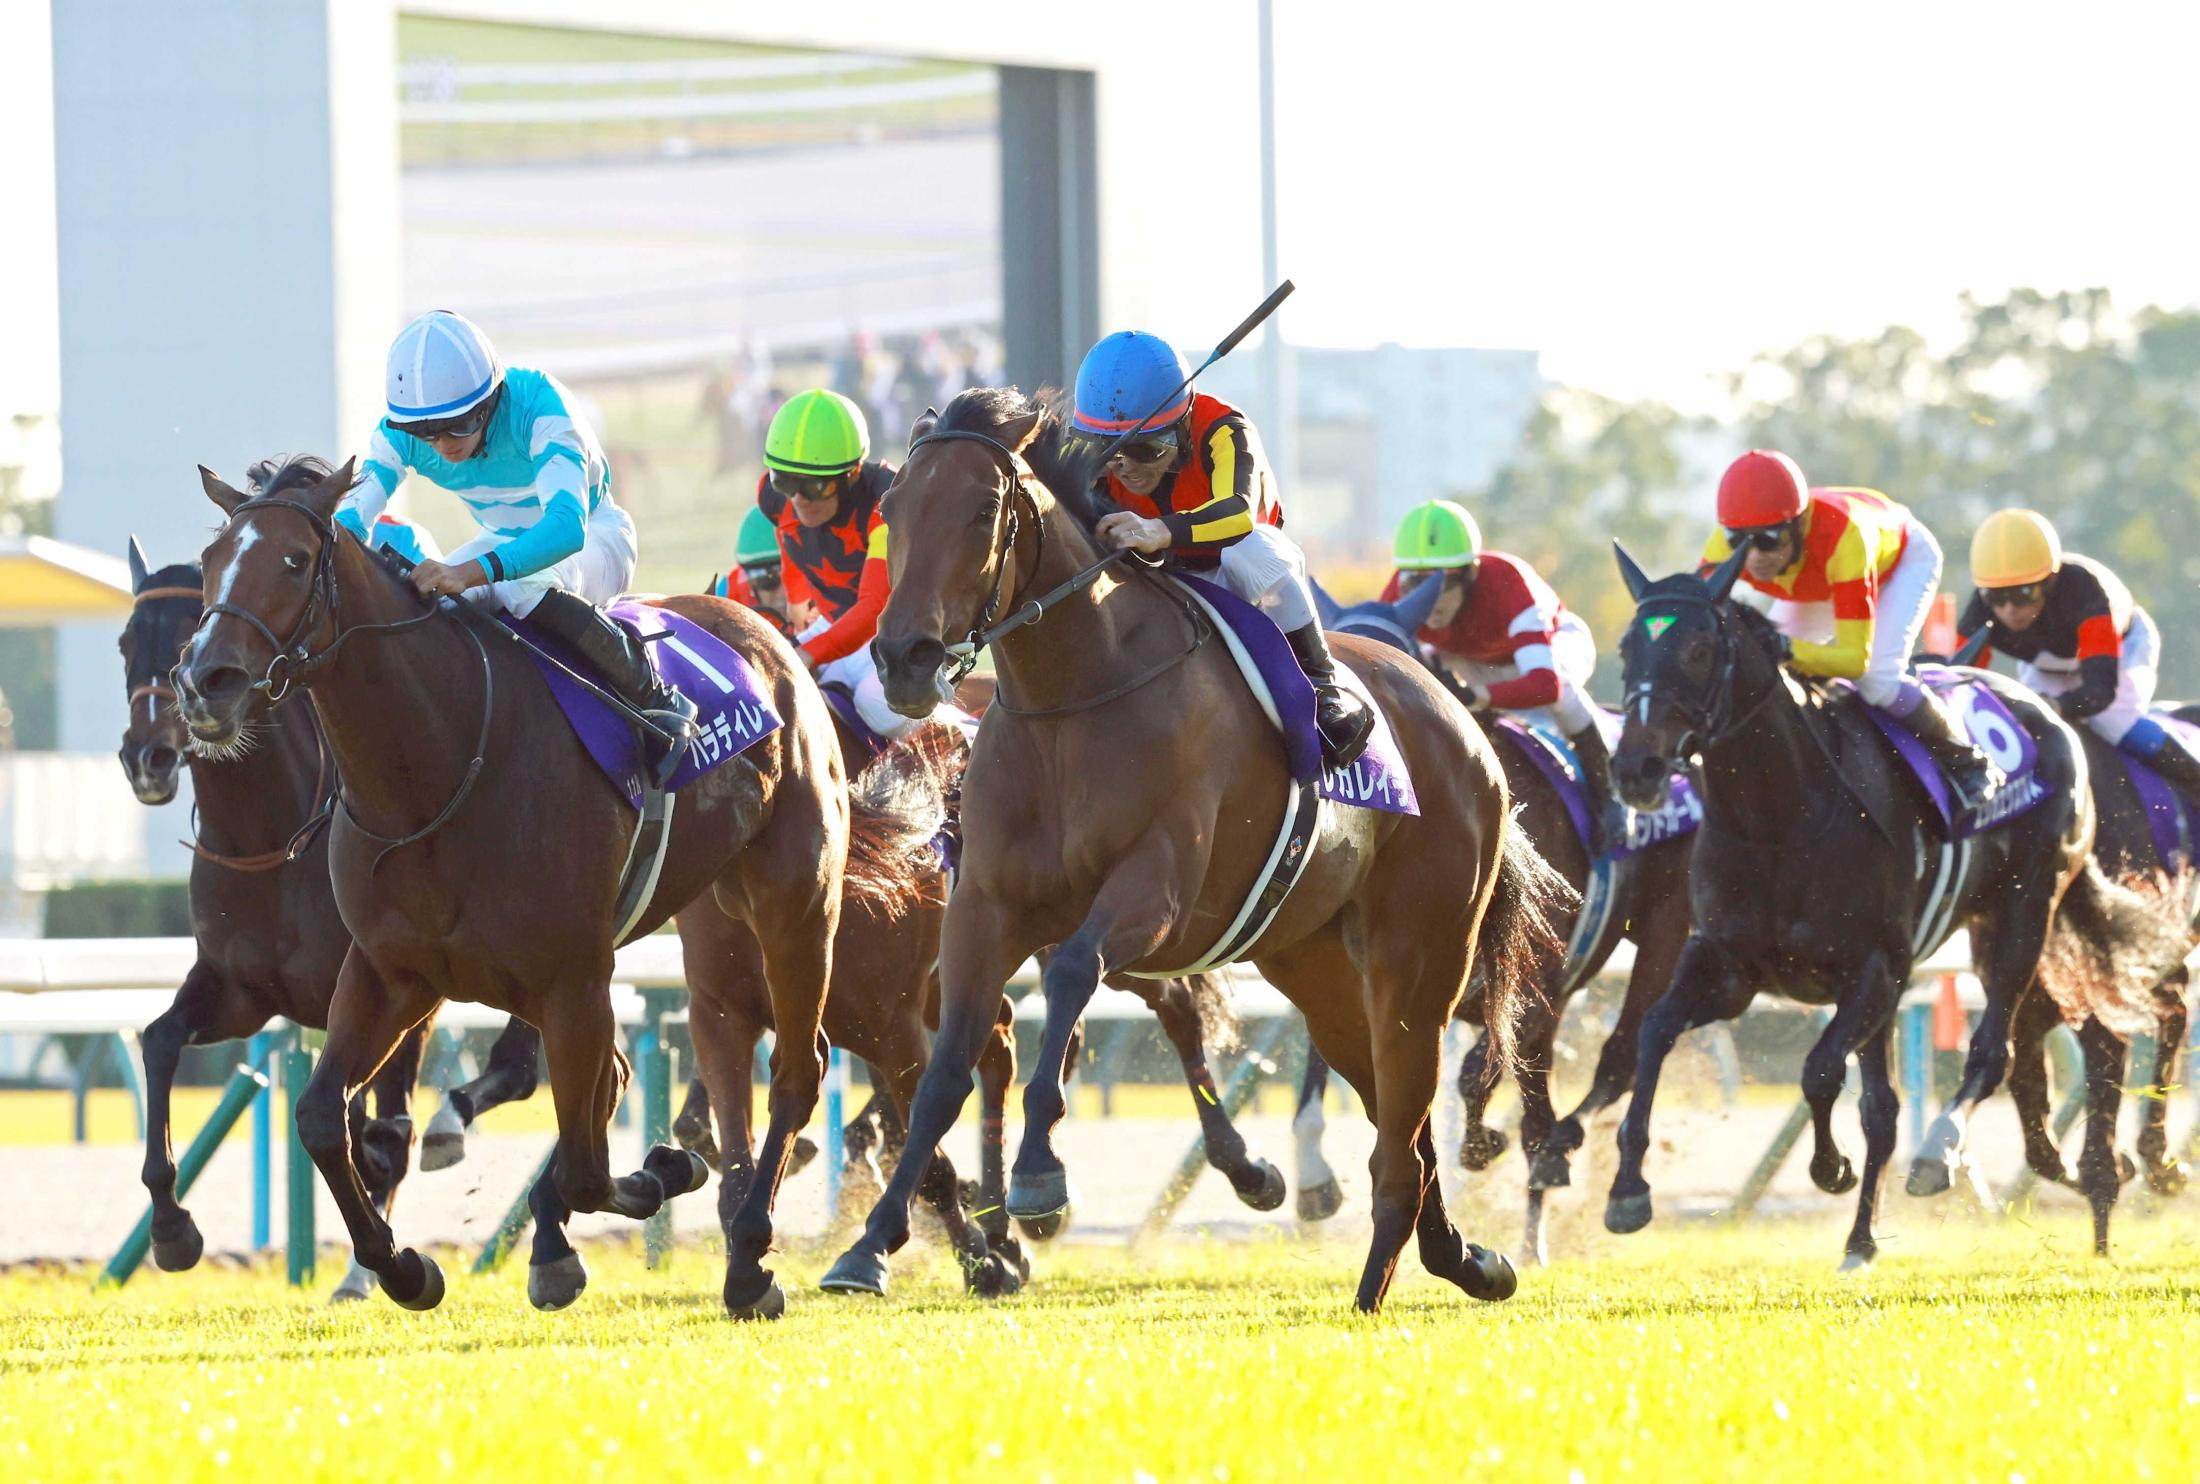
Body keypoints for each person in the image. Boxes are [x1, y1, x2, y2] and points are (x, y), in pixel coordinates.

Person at [337, 310, 696, 785]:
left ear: (490, 401)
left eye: (458, 425)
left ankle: (658, 702)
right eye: (426, 433)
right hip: (501, 543)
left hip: (595, 538)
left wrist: (468, 572)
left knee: (520, 586)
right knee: (428, 604)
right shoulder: (399, 433)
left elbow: (567, 527)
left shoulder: (539, 404)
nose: (441, 444)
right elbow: (347, 522)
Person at [1073, 330, 1371, 766]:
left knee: (1251, 551)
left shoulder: (1225, 429)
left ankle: (1322, 688)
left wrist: (1160, 530)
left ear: (1183, 425)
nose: (1126, 467)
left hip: (1244, 576)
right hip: (1161, 577)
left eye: (1144, 447)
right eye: (1109, 450)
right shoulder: (1093, 457)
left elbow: (1238, 514)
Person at [1701, 449, 1994, 812]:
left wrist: (1786, 647)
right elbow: (1689, 614)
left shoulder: (1846, 540)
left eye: (1768, 539)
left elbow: (1856, 660)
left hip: (1896, 565)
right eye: (1738, 541)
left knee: (1878, 679)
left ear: (1798, 525)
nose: (1754, 556)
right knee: (1768, 672)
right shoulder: (1723, 547)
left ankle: (1964, 757)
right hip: (1817, 580)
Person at [1383, 499, 1626, 852]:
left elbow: (1545, 685)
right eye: (1413, 582)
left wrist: (1479, 695)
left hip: (1551, 645)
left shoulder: (1509, 585)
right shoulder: (1396, 595)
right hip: (1470, 657)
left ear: (1471, 572)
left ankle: (1610, 801)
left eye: (1440, 583)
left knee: (1564, 695)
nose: (1425, 598)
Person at [1961, 508, 2200, 796]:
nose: (2009, 609)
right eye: (1996, 596)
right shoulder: (1980, 608)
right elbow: (1959, 681)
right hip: (2048, 665)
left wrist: (2059, 706)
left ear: (2049, 583)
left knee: (2114, 723)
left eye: (2024, 594)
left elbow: (2099, 692)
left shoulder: (2084, 590)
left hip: (2123, 648)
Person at [753, 388, 921, 741]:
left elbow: (874, 608)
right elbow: (790, 538)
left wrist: (810, 653)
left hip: (896, 635)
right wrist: (797, 597)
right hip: (834, 624)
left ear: (853, 473)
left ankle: (962, 735)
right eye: (785, 480)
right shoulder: (773, 496)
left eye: (815, 487)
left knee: (877, 704)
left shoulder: (886, 506)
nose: (798, 499)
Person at [712, 506, 795, 633]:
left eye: (794, 580)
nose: (784, 593)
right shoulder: (726, 600)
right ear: (749, 581)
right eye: (766, 579)